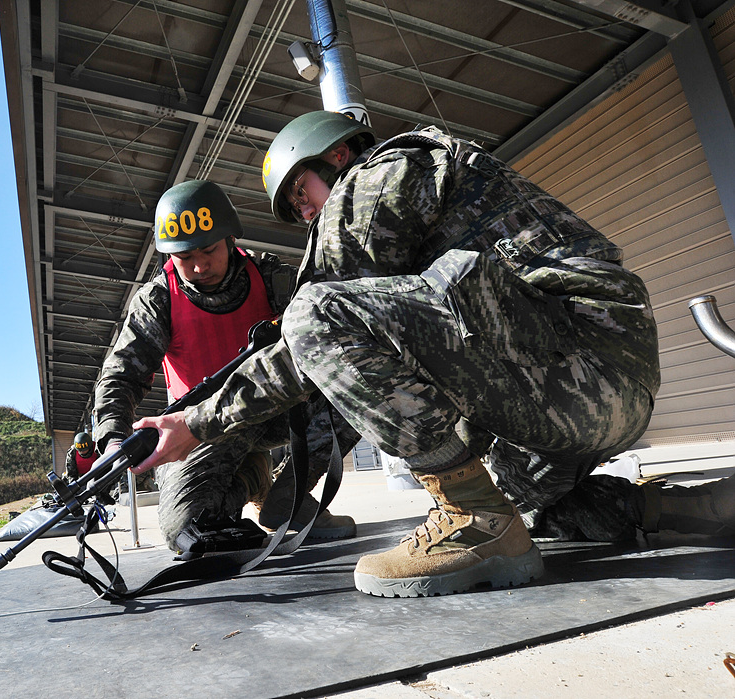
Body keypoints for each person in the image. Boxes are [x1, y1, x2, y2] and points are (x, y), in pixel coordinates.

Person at [133, 111, 735, 598]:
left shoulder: (378, 178)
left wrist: (196, 421)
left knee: (314, 313)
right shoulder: (438, 185)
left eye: (301, 192)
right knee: (526, 508)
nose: (307, 213)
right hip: (592, 386)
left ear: (337, 157)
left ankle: (471, 520)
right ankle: (692, 508)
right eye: (296, 211)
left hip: (576, 366)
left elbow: (308, 340)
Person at [92, 179, 360, 551]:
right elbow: (122, 375)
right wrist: (112, 440)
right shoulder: (158, 301)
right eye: (184, 258)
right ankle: (251, 476)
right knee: (185, 530)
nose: (200, 266)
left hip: (270, 411)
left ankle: (288, 497)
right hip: (199, 430)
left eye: (209, 250)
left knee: (357, 381)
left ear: (231, 239)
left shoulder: (272, 280)